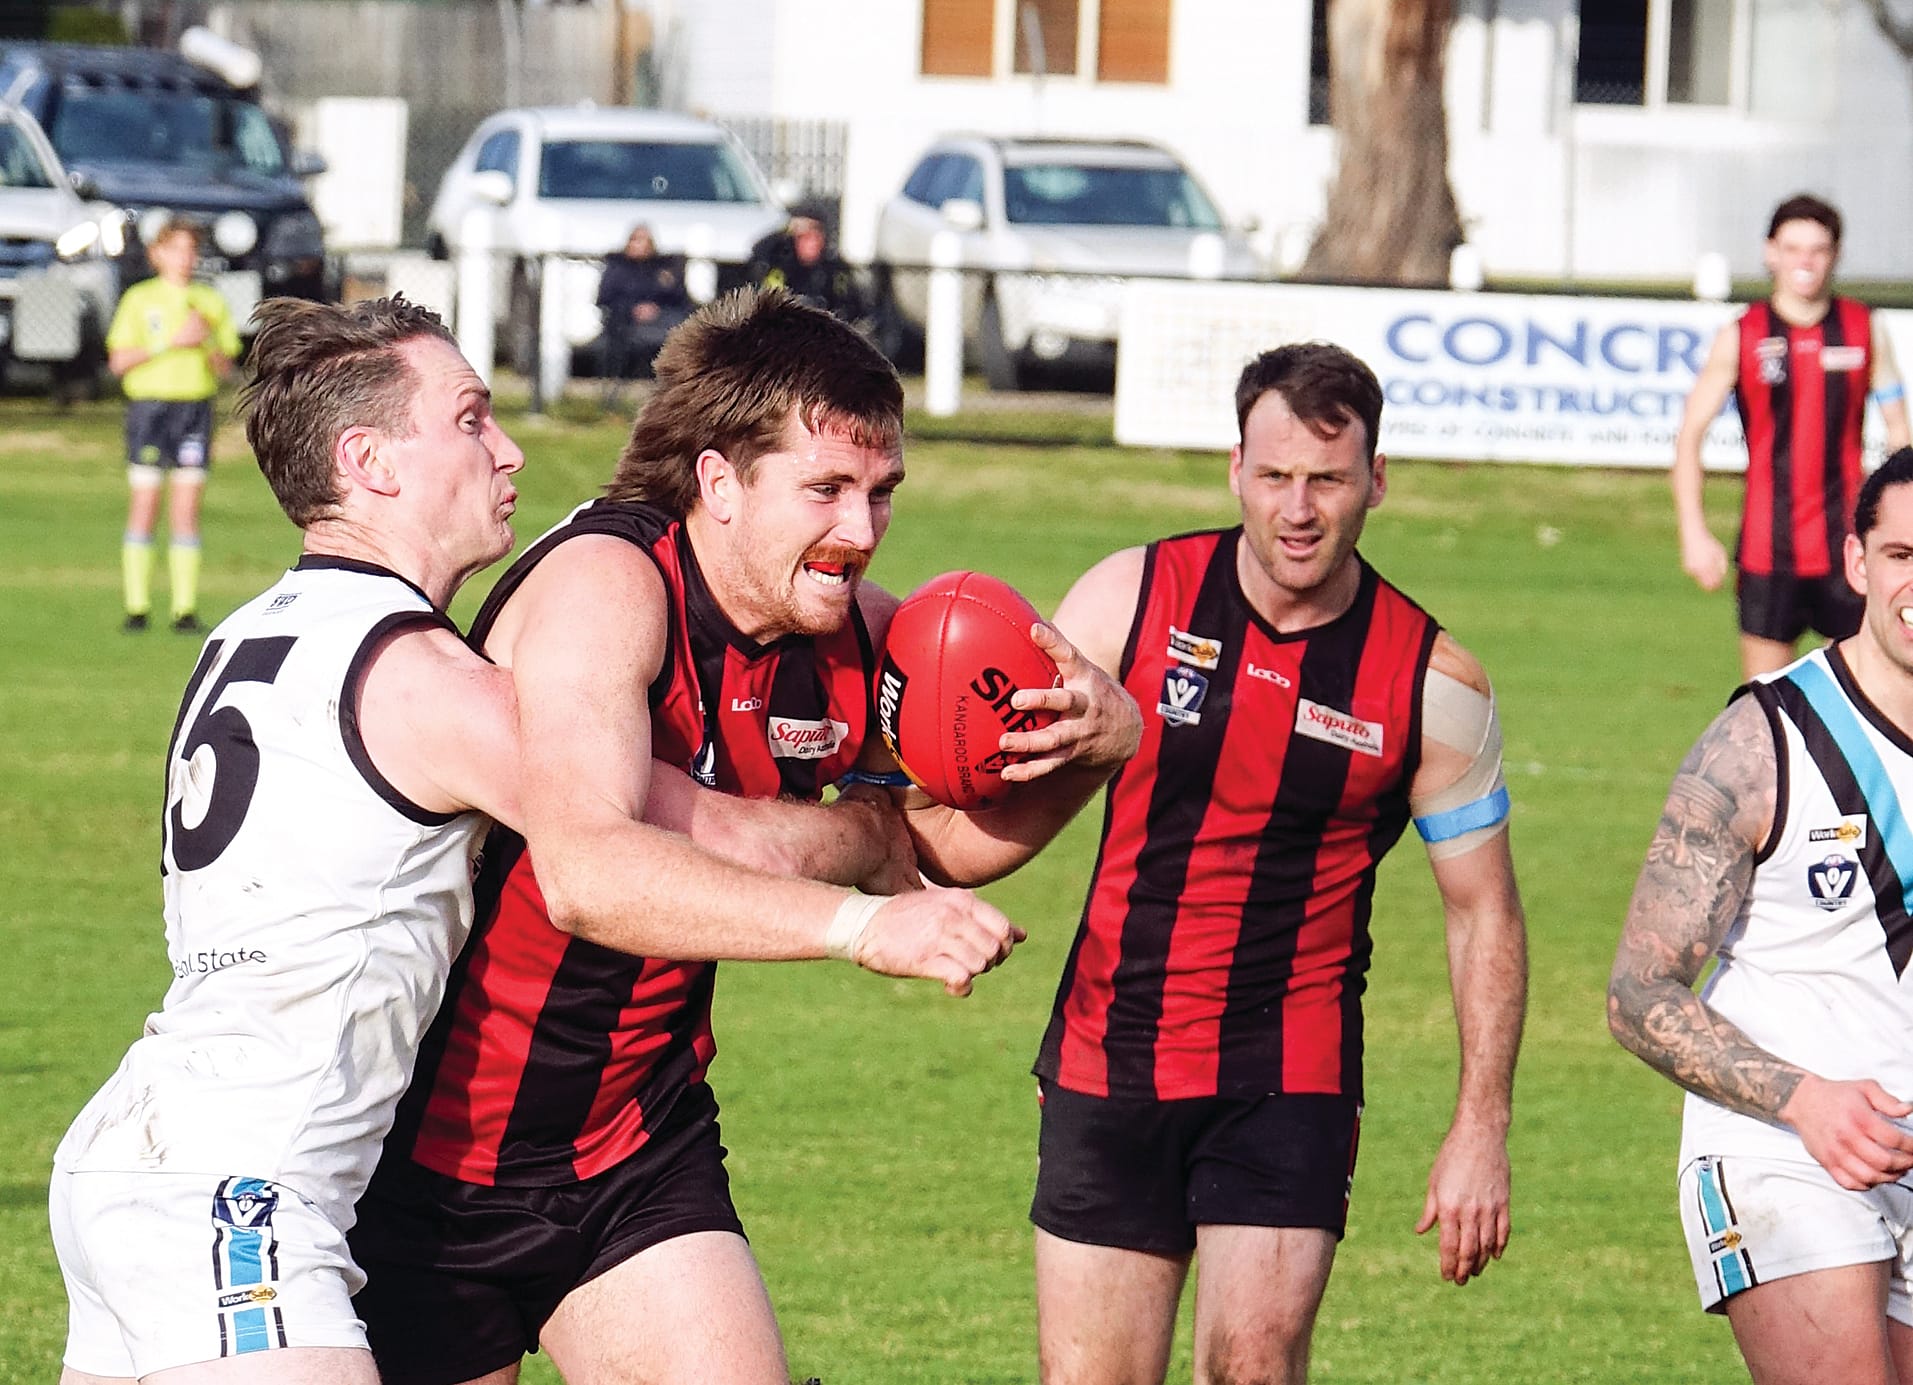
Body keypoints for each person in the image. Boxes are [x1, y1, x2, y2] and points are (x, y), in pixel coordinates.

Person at [49, 294, 1020, 1385]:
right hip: (245, 1189)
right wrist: (871, 887)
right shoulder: (434, 686)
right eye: (470, 419)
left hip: (143, 1143)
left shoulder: (257, 630)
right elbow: (612, 855)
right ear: (368, 461)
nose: (508, 448)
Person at [348, 285, 1141, 1385]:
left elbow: (936, 851)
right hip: (437, 1158)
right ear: (718, 480)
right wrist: (861, 920)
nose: (858, 533)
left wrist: (1100, 746)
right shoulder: (608, 586)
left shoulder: (856, 634)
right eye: (824, 490)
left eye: (879, 493)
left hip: (638, 1142)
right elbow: (586, 873)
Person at [1028, 341, 1530, 1385]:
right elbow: (994, 786)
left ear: (1374, 482)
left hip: (1287, 1066)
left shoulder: (1430, 680)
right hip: (1109, 1047)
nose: (1297, 508)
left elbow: (1482, 912)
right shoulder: (1131, 596)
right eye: (1275, 476)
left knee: (1251, 1364)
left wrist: (1479, 1123)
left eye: (1327, 479)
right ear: (1235, 471)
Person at [1610, 444, 1913, 1385]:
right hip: (1784, 1151)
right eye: (1904, 555)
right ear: (1859, 563)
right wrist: (1804, 1100)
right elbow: (1637, 992)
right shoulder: (1763, 739)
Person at [1673, 193, 1911, 683]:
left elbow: (1898, 436)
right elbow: (1689, 438)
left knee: (1861, 701)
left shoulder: (1865, 329)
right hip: (1767, 551)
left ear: (1836, 255)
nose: (1806, 261)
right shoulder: (1743, 333)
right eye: (1794, 248)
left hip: (1847, 548)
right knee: (1765, 707)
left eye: (1818, 249)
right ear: (1770, 252)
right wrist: (1693, 533)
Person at [106, 215, 243, 634]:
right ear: (157, 254)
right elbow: (118, 361)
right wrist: (170, 342)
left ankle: (184, 609)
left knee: (186, 508)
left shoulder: (209, 302)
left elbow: (226, 367)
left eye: (191, 250)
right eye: (176, 249)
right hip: (150, 410)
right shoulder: (139, 299)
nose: (185, 258)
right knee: (145, 505)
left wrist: (205, 343)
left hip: (193, 411)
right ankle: (137, 607)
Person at [595, 223, 691, 382]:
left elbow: (679, 298)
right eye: (635, 240)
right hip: (624, 322)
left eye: (644, 241)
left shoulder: (663, 269)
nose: (639, 245)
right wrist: (632, 309)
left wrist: (655, 308)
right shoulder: (617, 268)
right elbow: (605, 299)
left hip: (661, 320)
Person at [750, 209, 868, 326]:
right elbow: (758, 251)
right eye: (805, 237)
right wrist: (786, 229)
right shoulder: (780, 267)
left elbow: (852, 309)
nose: (812, 243)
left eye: (817, 237)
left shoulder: (834, 271)